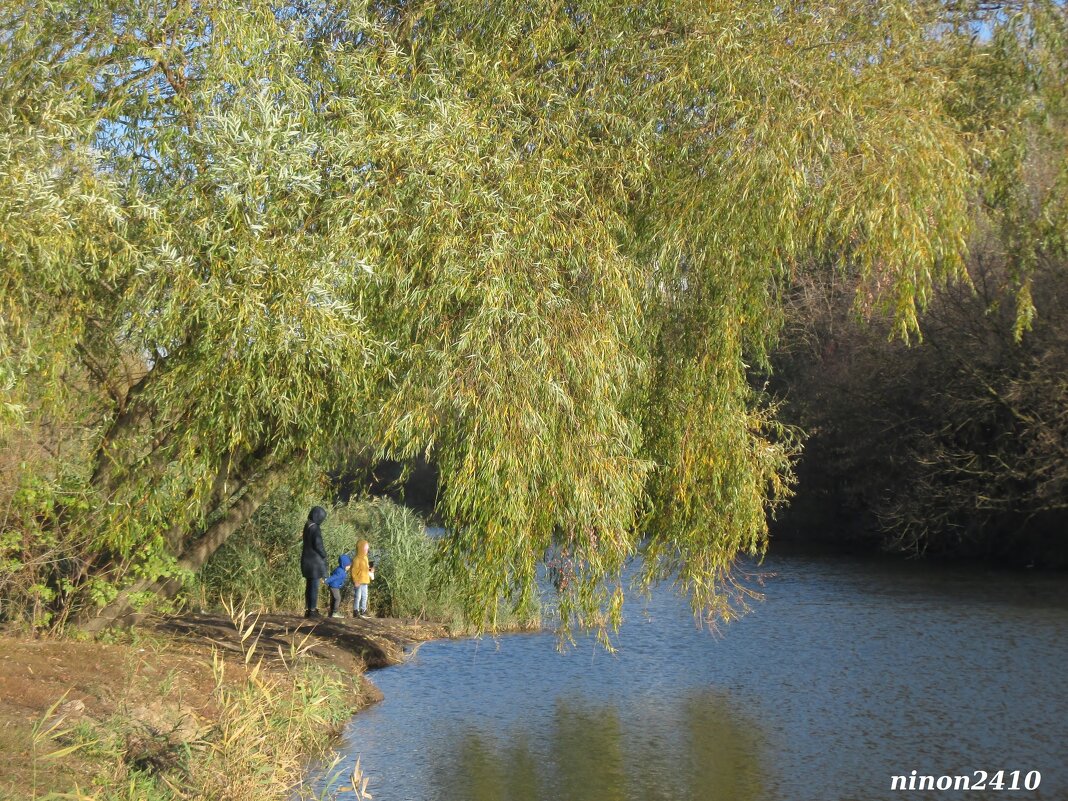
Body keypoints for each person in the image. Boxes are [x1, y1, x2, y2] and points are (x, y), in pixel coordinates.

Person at [301, 506, 329, 618]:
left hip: (306, 561)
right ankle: (312, 611)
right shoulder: (315, 528)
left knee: (309, 586)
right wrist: (324, 555)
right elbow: (318, 545)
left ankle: (308, 609)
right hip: (314, 563)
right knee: (314, 586)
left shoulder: (307, 525)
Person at [325, 553, 352, 618]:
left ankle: (331, 612)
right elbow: (333, 577)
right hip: (334, 586)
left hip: (335, 586)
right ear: (343, 565)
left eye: (349, 565)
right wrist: (326, 580)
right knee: (338, 598)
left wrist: (340, 584)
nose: (349, 567)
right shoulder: (340, 571)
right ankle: (335, 612)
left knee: (334, 599)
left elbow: (333, 574)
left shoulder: (340, 569)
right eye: (347, 565)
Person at [352, 539, 371, 618]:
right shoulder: (356, 559)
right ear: (360, 549)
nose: (367, 550)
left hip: (365, 580)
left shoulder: (365, 558)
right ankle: (356, 610)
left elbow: (365, 569)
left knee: (365, 596)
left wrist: (370, 570)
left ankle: (363, 610)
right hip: (359, 581)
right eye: (365, 549)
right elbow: (353, 571)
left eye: (367, 549)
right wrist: (355, 580)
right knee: (358, 596)